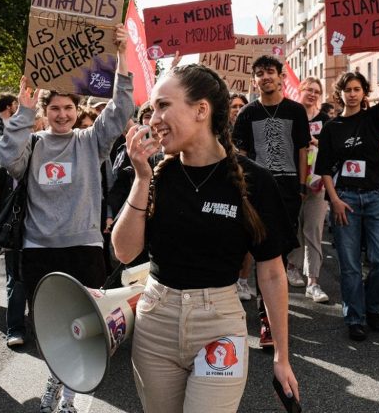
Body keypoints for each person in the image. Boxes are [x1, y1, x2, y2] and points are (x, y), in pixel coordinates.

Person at [112, 63, 299, 413]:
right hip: (156, 323)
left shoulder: (254, 180)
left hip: (220, 325)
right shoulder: (155, 176)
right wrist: (140, 179)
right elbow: (124, 252)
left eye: (163, 106)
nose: (153, 119)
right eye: (151, 109)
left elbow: (272, 273)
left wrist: (281, 357)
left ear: (201, 110)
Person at [0, 24, 131, 413]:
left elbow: (121, 110)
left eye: (69, 108)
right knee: (52, 329)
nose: (62, 114)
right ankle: (56, 380)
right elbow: (8, 157)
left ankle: (68, 396)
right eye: (54, 108)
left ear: (77, 111)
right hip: (39, 251)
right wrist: (23, 112)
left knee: (85, 326)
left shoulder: (91, 142)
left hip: (84, 248)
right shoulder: (34, 145)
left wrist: (121, 58)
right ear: (45, 112)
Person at [315, 41, 379, 341]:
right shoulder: (331, 128)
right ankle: (354, 317)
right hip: (346, 200)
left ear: (363, 92)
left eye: (357, 89)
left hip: (375, 198)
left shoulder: (375, 117)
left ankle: (372, 306)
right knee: (350, 264)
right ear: (340, 93)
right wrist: (335, 201)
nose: (352, 94)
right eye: (348, 89)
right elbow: (325, 170)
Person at [233, 55, 310, 347]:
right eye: (260, 73)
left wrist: (301, 187)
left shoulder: (296, 111)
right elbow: (239, 155)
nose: (265, 77)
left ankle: (273, 315)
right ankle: (267, 321)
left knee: (279, 254)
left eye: (270, 72)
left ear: (281, 77)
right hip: (256, 194)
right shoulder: (246, 115)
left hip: (290, 192)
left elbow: (302, 152)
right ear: (254, 80)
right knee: (266, 254)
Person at [287, 76, 330, 303]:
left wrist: (317, 143)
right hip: (293, 181)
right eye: (308, 90)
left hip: (317, 184)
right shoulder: (292, 114)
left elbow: (332, 148)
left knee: (313, 230)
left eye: (316, 91)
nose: (312, 94)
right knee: (294, 226)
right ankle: (292, 266)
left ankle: (313, 282)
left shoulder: (324, 119)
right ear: (300, 91)